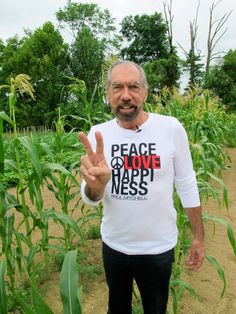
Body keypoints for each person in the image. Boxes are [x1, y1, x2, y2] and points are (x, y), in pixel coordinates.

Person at [79, 60, 205, 314]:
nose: (126, 95)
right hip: (114, 246)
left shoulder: (170, 128)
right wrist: (96, 186)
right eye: (117, 87)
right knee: (117, 308)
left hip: (158, 248)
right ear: (108, 94)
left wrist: (199, 237)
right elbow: (91, 197)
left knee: (156, 309)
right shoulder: (98, 134)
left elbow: (186, 183)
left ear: (145, 92)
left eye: (133, 87)